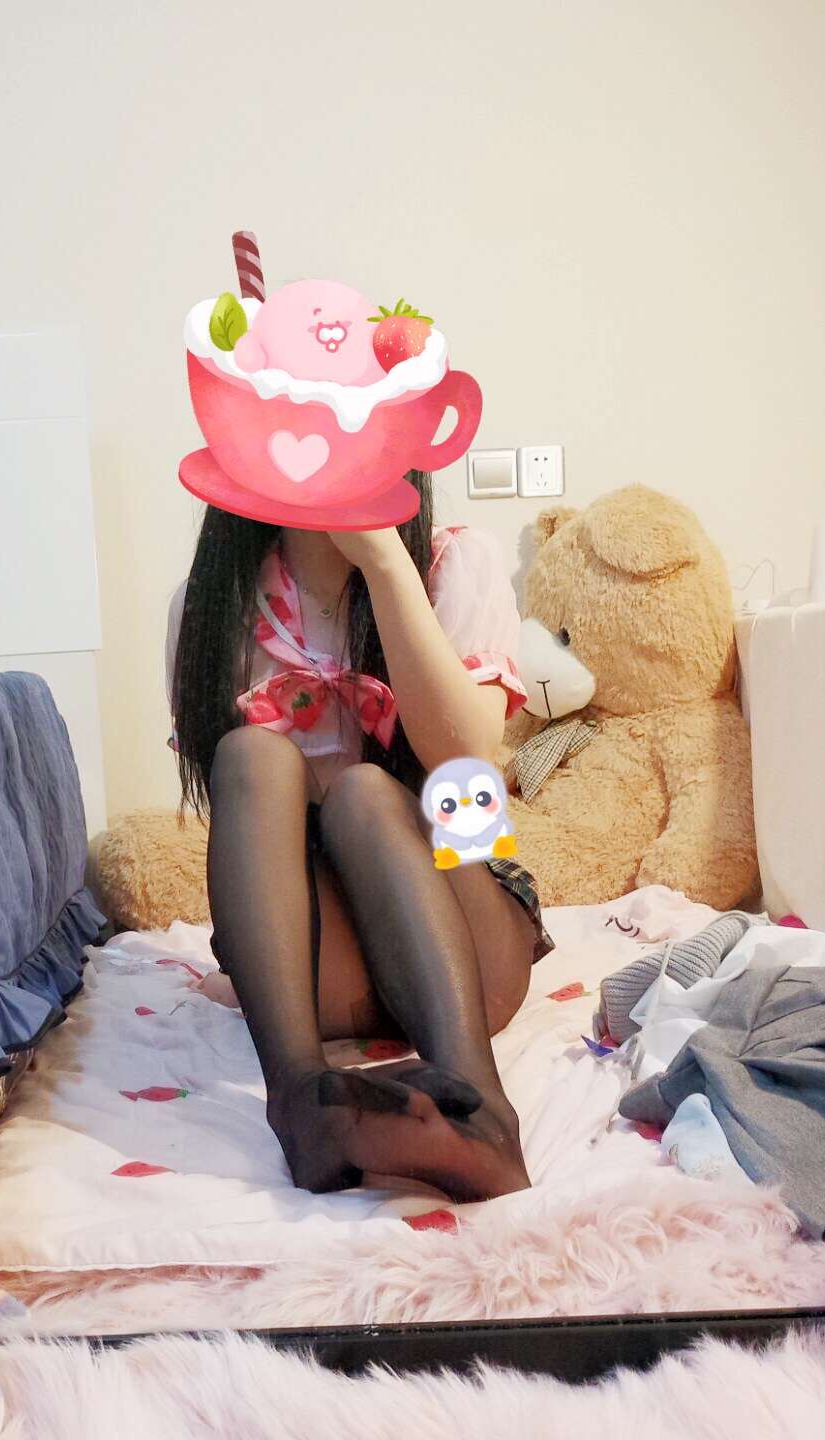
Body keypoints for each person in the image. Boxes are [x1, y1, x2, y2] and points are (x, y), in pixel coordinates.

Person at [166, 472, 551, 1202]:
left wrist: (383, 561)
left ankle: (483, 1110)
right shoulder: (209, 604)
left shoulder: (453, 565)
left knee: (365, 793)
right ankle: (300, 1100)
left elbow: (467, 769)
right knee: (249, 756)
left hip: (467, 946)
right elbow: (241, 828)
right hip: (322, 974)